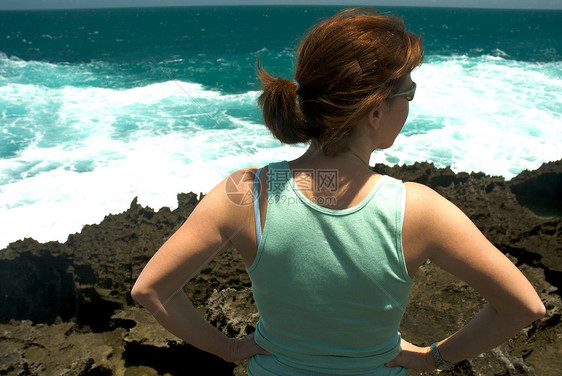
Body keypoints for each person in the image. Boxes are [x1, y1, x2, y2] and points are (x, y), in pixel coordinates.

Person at [131, 8, 545, 375]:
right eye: (409, 93)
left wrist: (228, 348)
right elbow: (523, 307)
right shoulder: (418, 209)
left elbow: (151, 289)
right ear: (376, 110)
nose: (411, 105)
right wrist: (430, 357)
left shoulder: (247, 192)